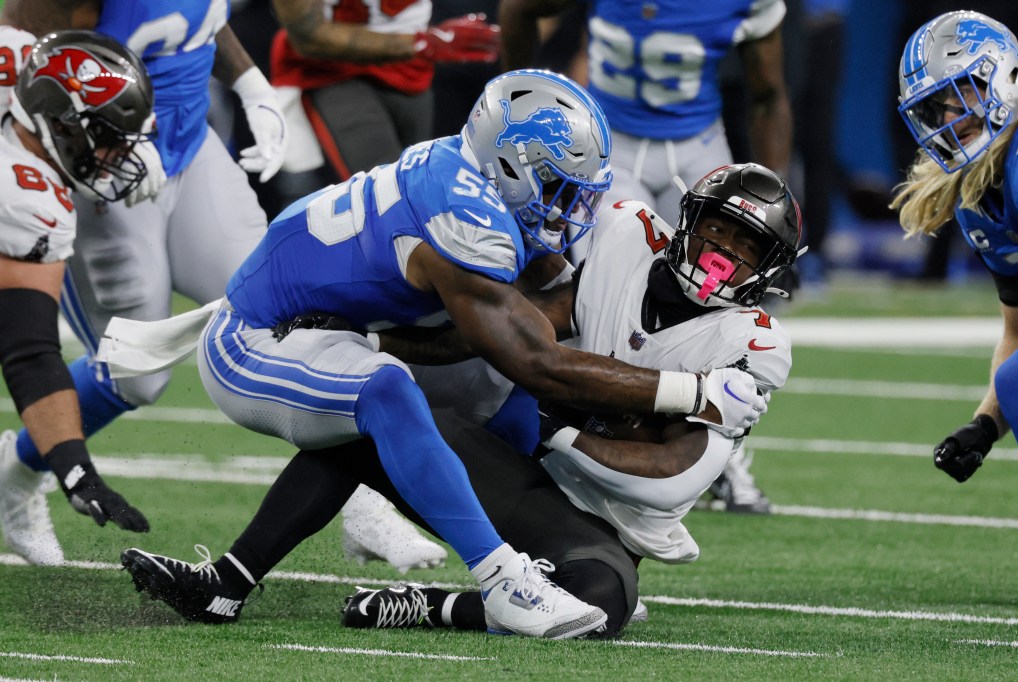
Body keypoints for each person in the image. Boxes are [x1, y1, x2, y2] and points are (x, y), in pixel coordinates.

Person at [105, 69, 767, 639]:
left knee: (473, 383)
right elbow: (533, 356)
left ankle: (226, 583)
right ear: (510, 165)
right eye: (562, 187)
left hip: (335, 329)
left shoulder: (481, 185)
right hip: (257, 341)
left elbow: (529, 317)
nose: (573, 209)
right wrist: (692, 392)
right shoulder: (467, 215)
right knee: (388, 391)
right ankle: (506, 580)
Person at [0, 0, 444, 576]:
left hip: (189, 144)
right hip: (100, 165)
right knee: (138, 373)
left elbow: (199, 16)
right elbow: (29, 70)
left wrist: (248, 80)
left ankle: (360, 503)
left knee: (291, 306)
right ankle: (17, 468)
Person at [500, 0, 792, 515]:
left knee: (724, 306)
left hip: (702, 146)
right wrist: (515, 101)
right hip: (613, 142)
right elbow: (519, 10)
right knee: (601, 297)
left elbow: (768, 94)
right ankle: (577, 421)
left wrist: (776, 201)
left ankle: (724, 460)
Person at [0, 30, 155, 565]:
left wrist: (74, 469)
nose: (117, 155)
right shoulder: (22, 197)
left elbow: (30, 351)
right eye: (110, 138)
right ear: (60, 123)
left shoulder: (21, 55)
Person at [891, 10, 1018, 481]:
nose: (951, 115)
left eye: (962, 91)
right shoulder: (976, 199)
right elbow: (1016, 331)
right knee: (1015, 381)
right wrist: (985, 425)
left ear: (1004, 76)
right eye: (941, 103)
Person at [268, 0, 501, 209]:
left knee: (423, 187)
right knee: (390, 196)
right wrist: (422, 43)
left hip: (413, 71)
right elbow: (306, 35)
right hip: (333, 72)